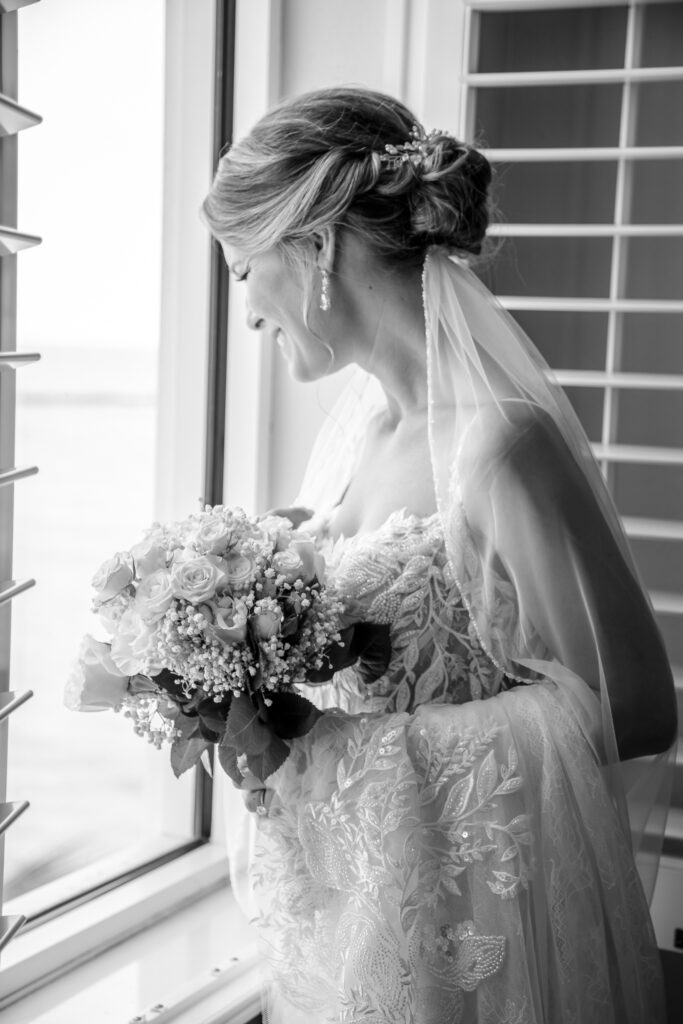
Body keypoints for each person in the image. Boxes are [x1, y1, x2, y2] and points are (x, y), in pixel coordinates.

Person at [202, 86, 677, 1024]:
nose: (246, 307)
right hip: (360, 932)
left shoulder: (498, 446)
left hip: (480, 952)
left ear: (314, 246)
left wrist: (353, 757)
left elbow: (638, 712)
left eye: (242, 265)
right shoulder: (359, 438)